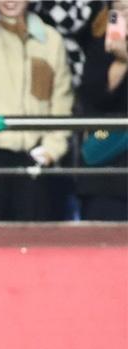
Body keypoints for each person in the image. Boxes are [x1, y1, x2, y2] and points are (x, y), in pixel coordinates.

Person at [0, 0, 73, 221]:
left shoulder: (51, 40)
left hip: (35, 157)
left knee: (33, 238)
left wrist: (51, 149)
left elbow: (62, 101)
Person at [76, 1, 128, 221]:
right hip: (107, 173)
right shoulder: (98, 47)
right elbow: (95, 96)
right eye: (122, 9)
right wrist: (122, 60)